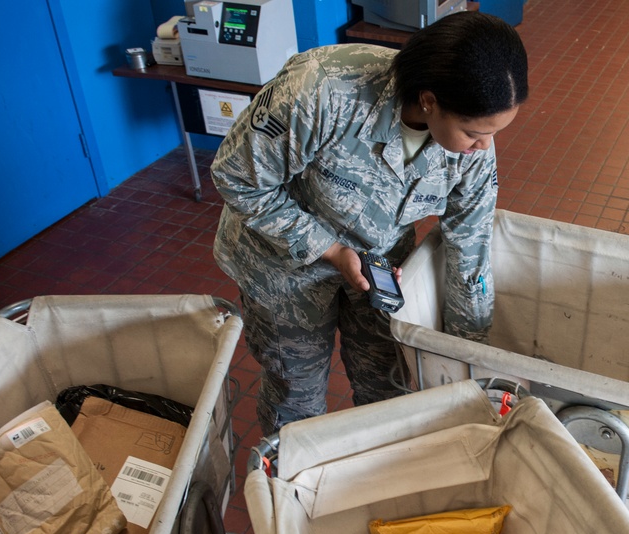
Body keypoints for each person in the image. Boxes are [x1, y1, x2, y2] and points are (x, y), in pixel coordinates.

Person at [211, 12, 529, 435]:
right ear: (429, 100)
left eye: (494, 132)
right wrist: (329, 249)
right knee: (297, 399)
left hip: (378, 269)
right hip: (282, 267)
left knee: (388, 392)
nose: (484, 147)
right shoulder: (322, 88)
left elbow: (469, 250)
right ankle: (286, 485)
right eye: (473, 132)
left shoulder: (473, 151)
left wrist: (465, 352)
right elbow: (237, 177)